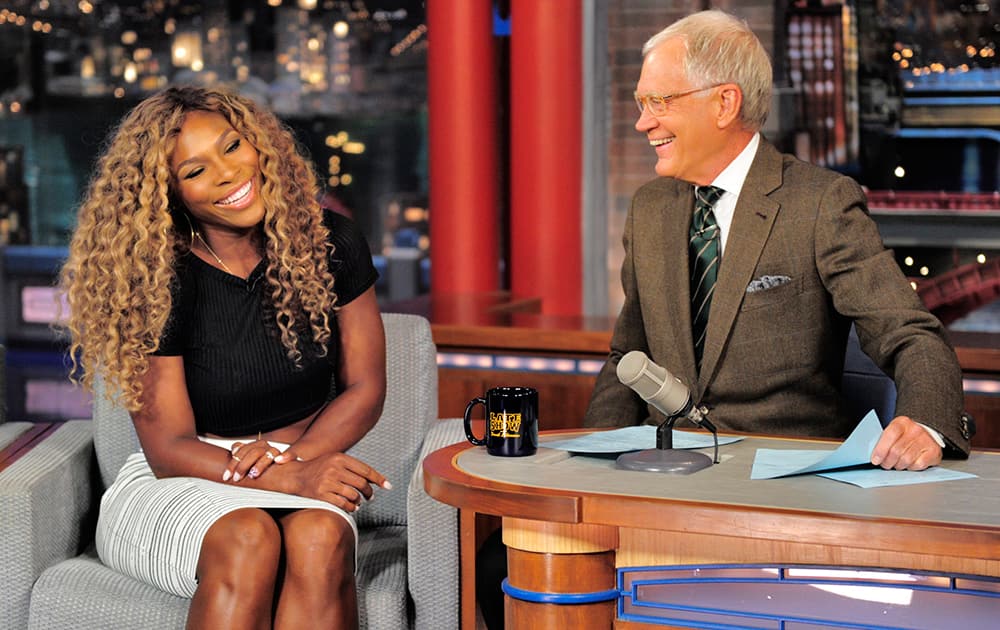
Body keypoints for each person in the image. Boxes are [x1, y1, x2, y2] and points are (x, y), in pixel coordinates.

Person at [59, 85, 387, 629]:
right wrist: (286, 480)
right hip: (180, 480)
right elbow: (168, 449)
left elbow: (365, 388)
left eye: (233, 147)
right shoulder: (157, 279)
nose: (228, 174)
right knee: (247, 536)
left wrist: (294, 467)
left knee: (320, 535)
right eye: (194, 171)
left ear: (260, 144)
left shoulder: (332, 243)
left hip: (301, 458)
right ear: (170, 193)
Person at [584, 9, 973, 465]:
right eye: (641, 102)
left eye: (659, 102)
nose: (643, 122)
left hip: (783, 480)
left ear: (725, 103)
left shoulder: (820, 203)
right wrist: (591, 455)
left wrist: (924, 424)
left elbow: (911, 334)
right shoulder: (648, 209)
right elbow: (627, 357)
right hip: (664, 472)